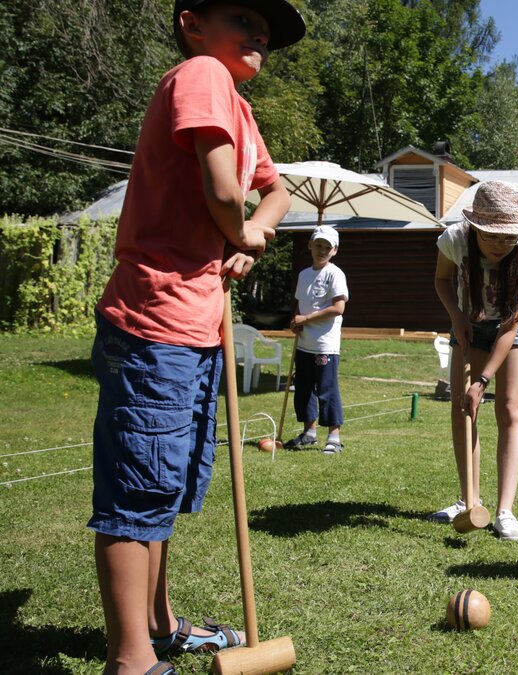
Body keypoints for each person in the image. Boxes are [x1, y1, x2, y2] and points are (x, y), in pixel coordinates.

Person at [88, 1, 303, 672]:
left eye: (267, 30)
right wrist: (241, 230)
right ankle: (132, 661)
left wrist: (252, 236)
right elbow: (221, 187)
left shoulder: (236, 106)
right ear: (192, 24)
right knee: (138, 489)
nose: (260, 34)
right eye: (244, 14)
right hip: (155, 321)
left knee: (161, 484)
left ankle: (159, 624)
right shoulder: (204, 74)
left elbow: (278, 189)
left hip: (190, 325)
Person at [428, 181, 518, 541]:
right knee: (465, 409)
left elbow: (512, 322)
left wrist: (484, 379)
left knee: (509, 409)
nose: (500, 244)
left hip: (511, 329)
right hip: (468, 322)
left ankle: (505, 511)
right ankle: (468, 500)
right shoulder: (454, 240)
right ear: (476, 226)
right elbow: (442, 281)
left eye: (508, 238)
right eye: (493, 236)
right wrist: (457, 317)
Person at [283, 225, 349, 454]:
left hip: (325, 344)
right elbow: (301, 305)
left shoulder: (335, 273)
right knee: (303, 389)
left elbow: (338, 308)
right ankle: (309, 432)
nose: (322, 250)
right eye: (318, 245)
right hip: (304, 343)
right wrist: (297, 323)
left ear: (334, 250)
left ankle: (334, 437)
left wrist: (307, 318)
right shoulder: (304, 275)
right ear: (310, 245)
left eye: (327, 247)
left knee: (326, 389)